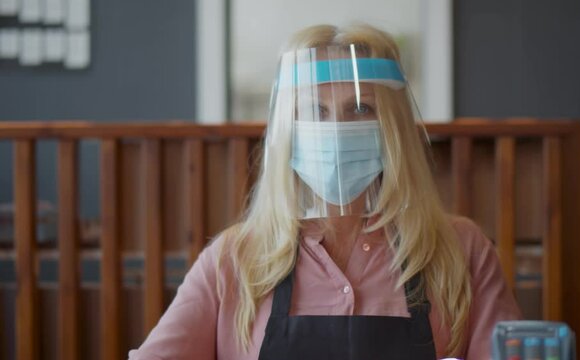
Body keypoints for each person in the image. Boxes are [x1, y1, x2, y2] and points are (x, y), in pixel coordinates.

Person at [128, 23, 521, 360]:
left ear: (394, 128)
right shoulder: (233, 259)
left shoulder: (460, 250)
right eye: (315, 111)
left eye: (361, 109)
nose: (336, 130)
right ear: (288, 131)